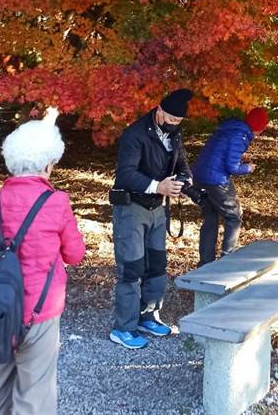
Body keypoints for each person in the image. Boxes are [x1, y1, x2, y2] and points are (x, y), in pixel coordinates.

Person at [0, 108, 86, 415]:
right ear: (48, 163)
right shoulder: (56, 202)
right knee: (35, 392)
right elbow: (75, 254)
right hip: (39, 312)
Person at [109, 88, 195, 350]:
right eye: (170, 119)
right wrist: (158, 186)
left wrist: (186, 179)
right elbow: (125, 175)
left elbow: (181, 162)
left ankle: (148, 315)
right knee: (131, 268)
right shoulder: (134, 134)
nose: (174, 125)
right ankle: (123, 327)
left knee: (157, 265)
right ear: (159, 112)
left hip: (157, 209)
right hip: (131, 208)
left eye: (178, 122)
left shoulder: (175, 134)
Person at [192, 107, 268, 266]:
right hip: (216, 180)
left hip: (199, 176)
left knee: (211, 218)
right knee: (234, 216)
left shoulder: (230, 129)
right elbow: (232, 167)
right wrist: (247, 168)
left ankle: (205, 263)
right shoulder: (240, 136)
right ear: (259, 128)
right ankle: (228, 260)